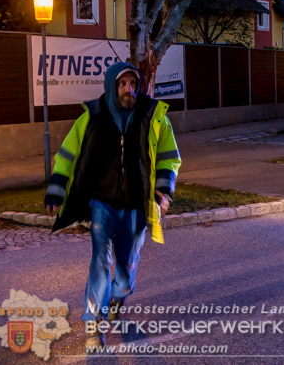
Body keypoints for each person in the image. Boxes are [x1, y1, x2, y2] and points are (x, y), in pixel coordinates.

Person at [44, 61, 181, 350]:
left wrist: (163, 190)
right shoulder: (93, 117)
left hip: (135, 206)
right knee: (100, 261)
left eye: (133, 84)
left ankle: (120, 294)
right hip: (102, 204)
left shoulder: (152, 115)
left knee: (126, 269)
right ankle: (93, 325)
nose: (128, 90)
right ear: (111, 86)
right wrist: (56, 190)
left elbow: (169, 156)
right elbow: (67, 154)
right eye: (122, 84)